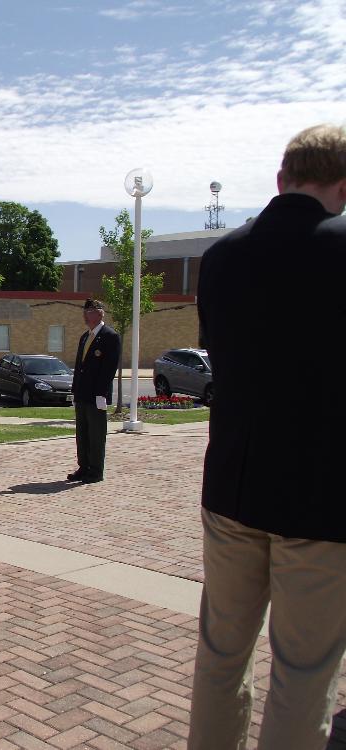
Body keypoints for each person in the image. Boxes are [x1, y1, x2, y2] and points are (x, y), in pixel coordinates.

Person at [188, 124, 346, 750]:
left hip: (232, 483)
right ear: (342, 185)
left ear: (281, 180)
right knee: (304, 670)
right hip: (320, 496)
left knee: (221, 654)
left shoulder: (222, 256)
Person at [67, 298, 120, 484]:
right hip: (82, 393)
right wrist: (75, 390)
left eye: (89, 311)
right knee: (82, 433)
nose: (85, 315)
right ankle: (84, 467)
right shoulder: (85, 337)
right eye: (84, 311)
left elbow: (109, 368)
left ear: (99, 313)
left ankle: (96, 471)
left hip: (96, 395)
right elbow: (78, 366)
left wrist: (101, 394)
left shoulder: (110, 336)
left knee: (96, 434)